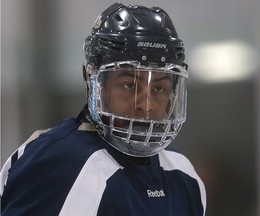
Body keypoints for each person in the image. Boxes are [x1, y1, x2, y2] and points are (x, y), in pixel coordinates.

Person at [0, 2, 206, 215]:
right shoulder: (58, 163)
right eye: (129, 86)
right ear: (94, 83)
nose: (146, 105)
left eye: (159, 89)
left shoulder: (183, 174)